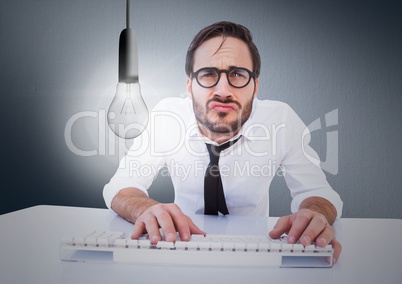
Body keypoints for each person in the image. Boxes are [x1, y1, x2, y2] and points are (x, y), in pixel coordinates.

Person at [103, 21, 343, 263]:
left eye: (238, 74)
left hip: (255, 258)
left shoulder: (281, 120)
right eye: (208, 74)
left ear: (255, 86)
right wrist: (144, 209)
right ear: (189, 86)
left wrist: (314, 214)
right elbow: (122, 184)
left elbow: (319, 193)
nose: (223, 90)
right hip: (179, 251)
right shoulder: (167, 116)